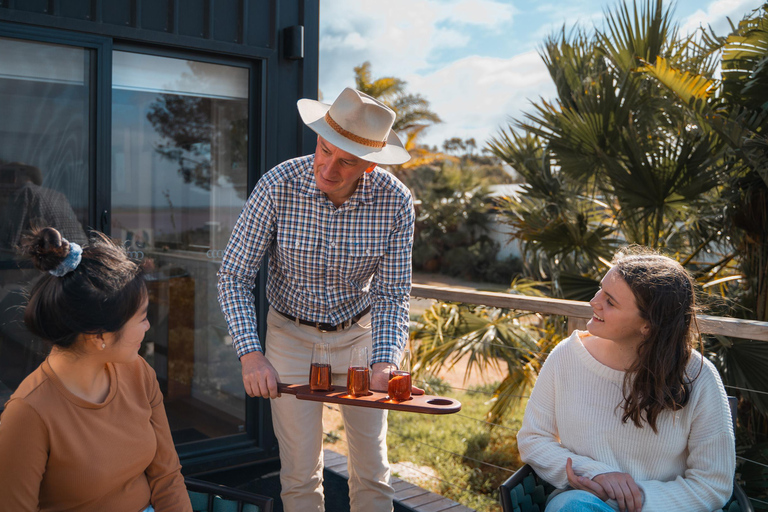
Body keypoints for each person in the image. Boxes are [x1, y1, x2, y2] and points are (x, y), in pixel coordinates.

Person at [217, 87, 415, 512]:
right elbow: (234, 275)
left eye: (347, 161)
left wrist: (385, 360)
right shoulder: (278, 185)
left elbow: (392, 293)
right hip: (289, 334)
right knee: (300, 475)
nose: (328, 167)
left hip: (359, 338)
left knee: (373, 473)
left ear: (371, 163)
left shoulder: (396, 202)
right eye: (324, 150)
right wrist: (250, 354)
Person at [517, 248, 736, 512]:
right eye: (601, 290)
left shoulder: (698, 376)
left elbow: (713, 484)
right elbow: (533, 439)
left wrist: (637, 498)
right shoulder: (566, 357)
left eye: (610, 301)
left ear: (648, 325)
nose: (594, 302)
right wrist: (596, 474)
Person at [0, 227, 192, 512]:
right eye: (141, 318)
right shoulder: (28, 414)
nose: (149, 327)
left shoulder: (138, 372)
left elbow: (167, 476)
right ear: (98, 336)